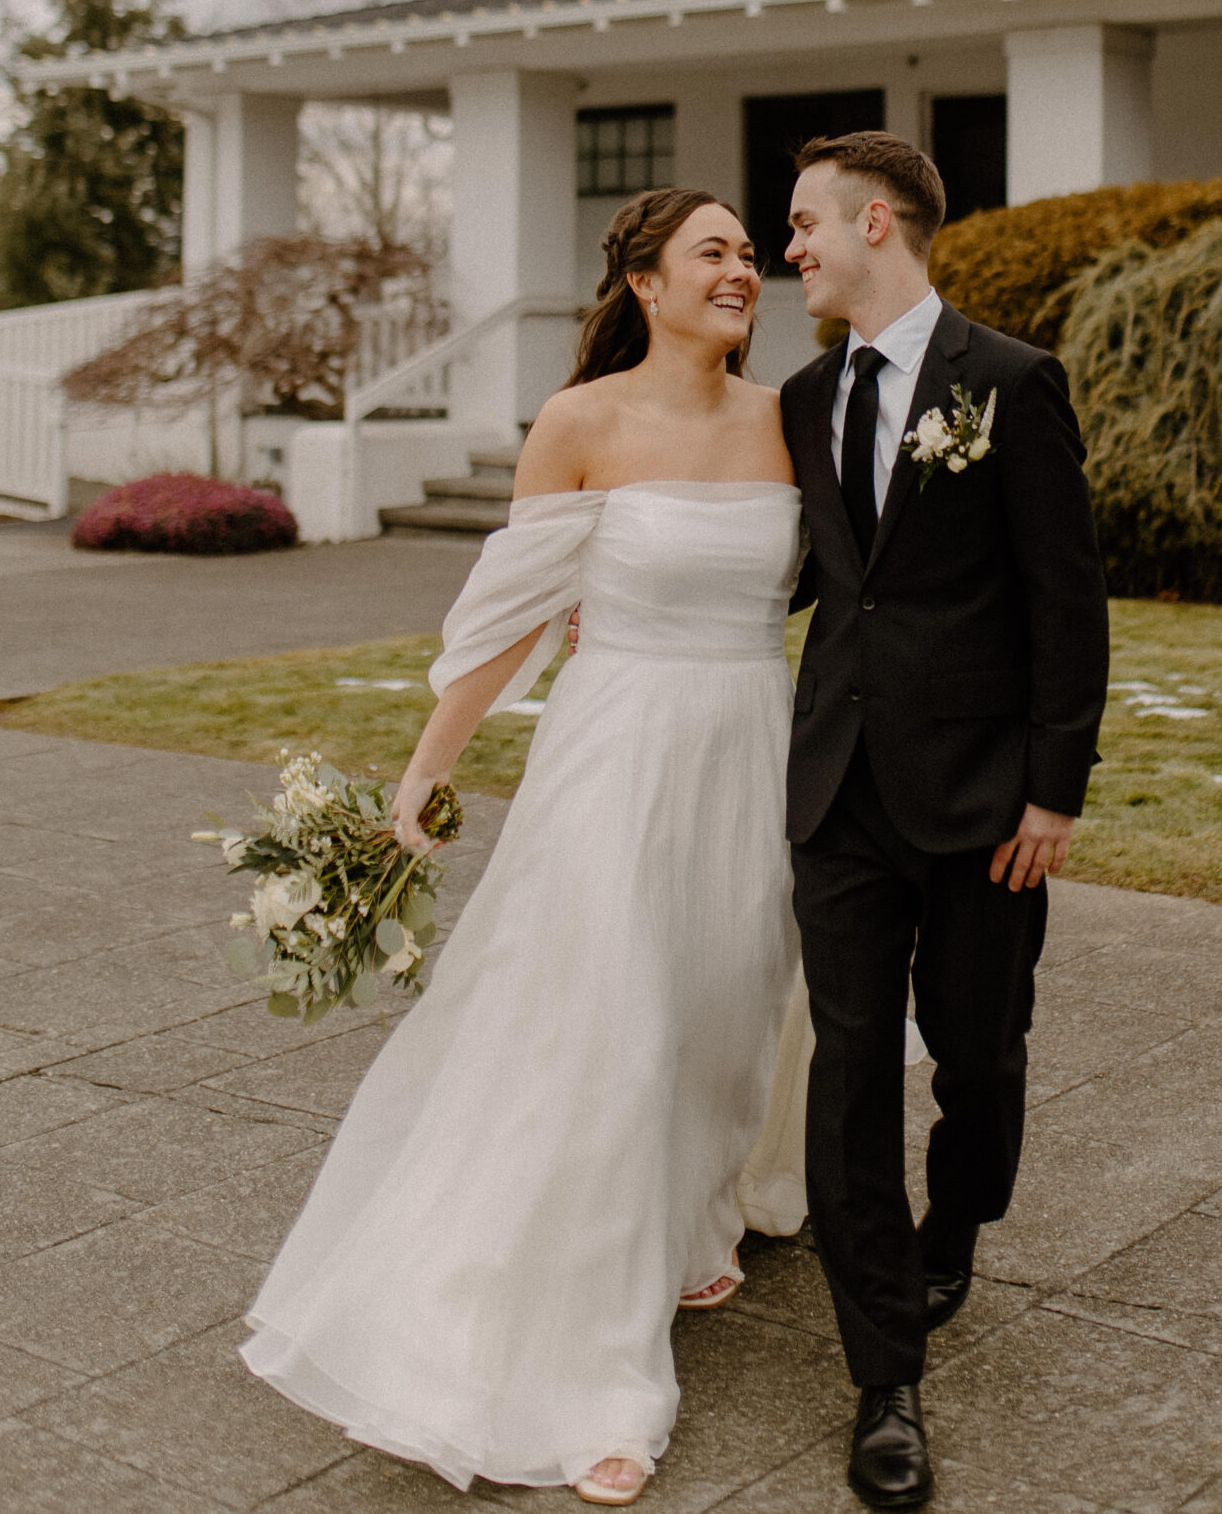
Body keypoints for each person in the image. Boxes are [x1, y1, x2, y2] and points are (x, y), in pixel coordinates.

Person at [242, 188, 807, 1506]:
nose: (740, 273)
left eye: (746, 254)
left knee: (724, 1010)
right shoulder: (579, 423)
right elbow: (508, 613)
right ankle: (598, 1367)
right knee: (611, 1028)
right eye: (711, 253)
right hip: (616, 757)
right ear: (646, 284)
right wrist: (428, 771)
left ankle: (693, 1216)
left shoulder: (791, 424)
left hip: (753, 748)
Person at [781, 132, 1109, 1511]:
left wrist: (1054, 785)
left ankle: (960, 1213)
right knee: (849, 1063)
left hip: (982, 799)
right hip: (838, 787)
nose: (789, 248)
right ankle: (885, 1373)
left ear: (875, 222)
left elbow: (1064, 597)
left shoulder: (1012, 383)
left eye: (801, 224)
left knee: (978, 1055)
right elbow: (805, 576)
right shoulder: (799, 400)